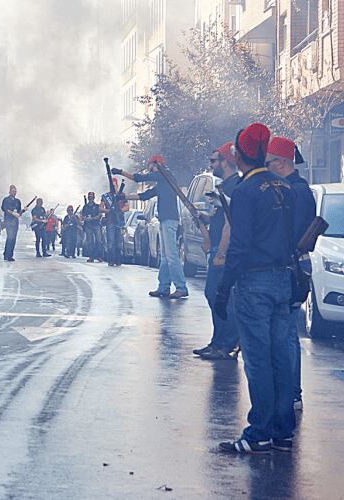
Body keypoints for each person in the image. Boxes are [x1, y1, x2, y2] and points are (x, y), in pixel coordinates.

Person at [214, 123, 298, 455]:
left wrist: (224, 288)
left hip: (254, 283)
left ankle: (259, 431)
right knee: (281, 356)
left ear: (239, 153)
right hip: (282, 280)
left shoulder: (246, 192)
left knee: (258, 359)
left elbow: (239, 245)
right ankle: (282, 430)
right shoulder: (285, 187)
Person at [267, 136, 316, 411]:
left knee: (286, 333)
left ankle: (292, 393)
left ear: (282, 162)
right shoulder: (295, 188)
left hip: (292, 266)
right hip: (293, 265)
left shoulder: (296, 191)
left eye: (269, 162)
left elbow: (293, 232)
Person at [195, 142, 243, 361]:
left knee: (221, 296)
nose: (211, 165)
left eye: (214, 160)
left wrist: (220, 253)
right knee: (214, 295)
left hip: (223, 251)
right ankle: (218, 341)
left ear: (225, 161)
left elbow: (230, 224)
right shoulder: (225, 186)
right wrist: (205, 219)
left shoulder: (234, 187)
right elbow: (220, 217)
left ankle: (227, 343)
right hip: (217, 248)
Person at [119, 159, 188, 298]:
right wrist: (125, 196)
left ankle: (181, 287)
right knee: (165, 256)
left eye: (150, 166)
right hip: (165, 220)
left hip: (169, 220)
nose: (148, 169)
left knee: (172, 255)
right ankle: (163, 287)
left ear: (156, 164)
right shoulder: (164, 181)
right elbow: (145, 196)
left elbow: (139, 178)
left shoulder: (164, 174)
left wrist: (121, 172)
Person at [101, 179, 128, 267]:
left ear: (117, 185)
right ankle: (111, 260)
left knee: (119, 242)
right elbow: (100, 208)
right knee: (111, 242)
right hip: (110, 221)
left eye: (114, 185)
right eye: (111, 185)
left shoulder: (122, 195)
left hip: (119, 221)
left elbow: (127, 207)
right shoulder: (106, 196)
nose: (113, 187)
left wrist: (119, 211)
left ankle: (118, 259)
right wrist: (109, 211)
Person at [0, 185, 22, 261]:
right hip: (9, 221)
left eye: (15, 191)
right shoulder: (6, 200)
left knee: (13, 239)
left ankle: (8, 254)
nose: (14, 192)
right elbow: (4, 208)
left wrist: (23, 210)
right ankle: (8, 255)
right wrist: (12, 213)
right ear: (9, 191)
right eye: (13, 191)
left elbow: (19, 212)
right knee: (10, 237)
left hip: (15, 222)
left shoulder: (18, 201)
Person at [81, 192, 102, 262]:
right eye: (89, 197)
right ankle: (91, 256)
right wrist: (86, 218)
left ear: (94, 198)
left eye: (92, 197)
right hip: (88, 226)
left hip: (96, 225)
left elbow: (99, 215)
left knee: (99, 241)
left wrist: (92, 218)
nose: (90, 198)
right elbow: (82, 216)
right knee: (90, 242)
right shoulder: (85, 207)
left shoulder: (97, 206)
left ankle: (98, 256)